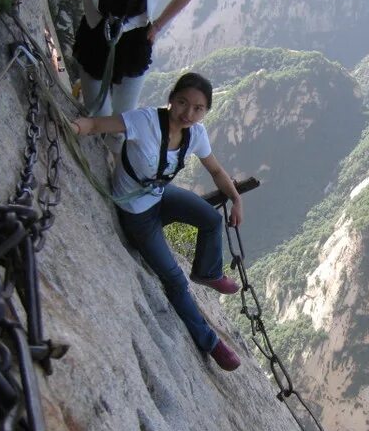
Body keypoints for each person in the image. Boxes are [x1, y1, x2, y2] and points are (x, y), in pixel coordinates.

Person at [71, 73, 243, 371]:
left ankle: (207, 272)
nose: (188, 113)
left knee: (211, 219)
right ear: (171, 98)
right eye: (182, 103)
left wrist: (237, 199)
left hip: (161, 195)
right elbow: (99, 124)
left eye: (198, 108)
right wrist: (75, 126)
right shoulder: (145, 121)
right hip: (137, 213)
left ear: (205, 111)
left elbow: (216, 171)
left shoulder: (196, 134)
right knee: (175, 280)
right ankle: (210, 342)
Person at [6, 0, 197, 116]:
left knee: (124, 116)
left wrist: (158, 26)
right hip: (95, 38)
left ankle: (115, 150)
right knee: (98, 113)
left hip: (133, 44)